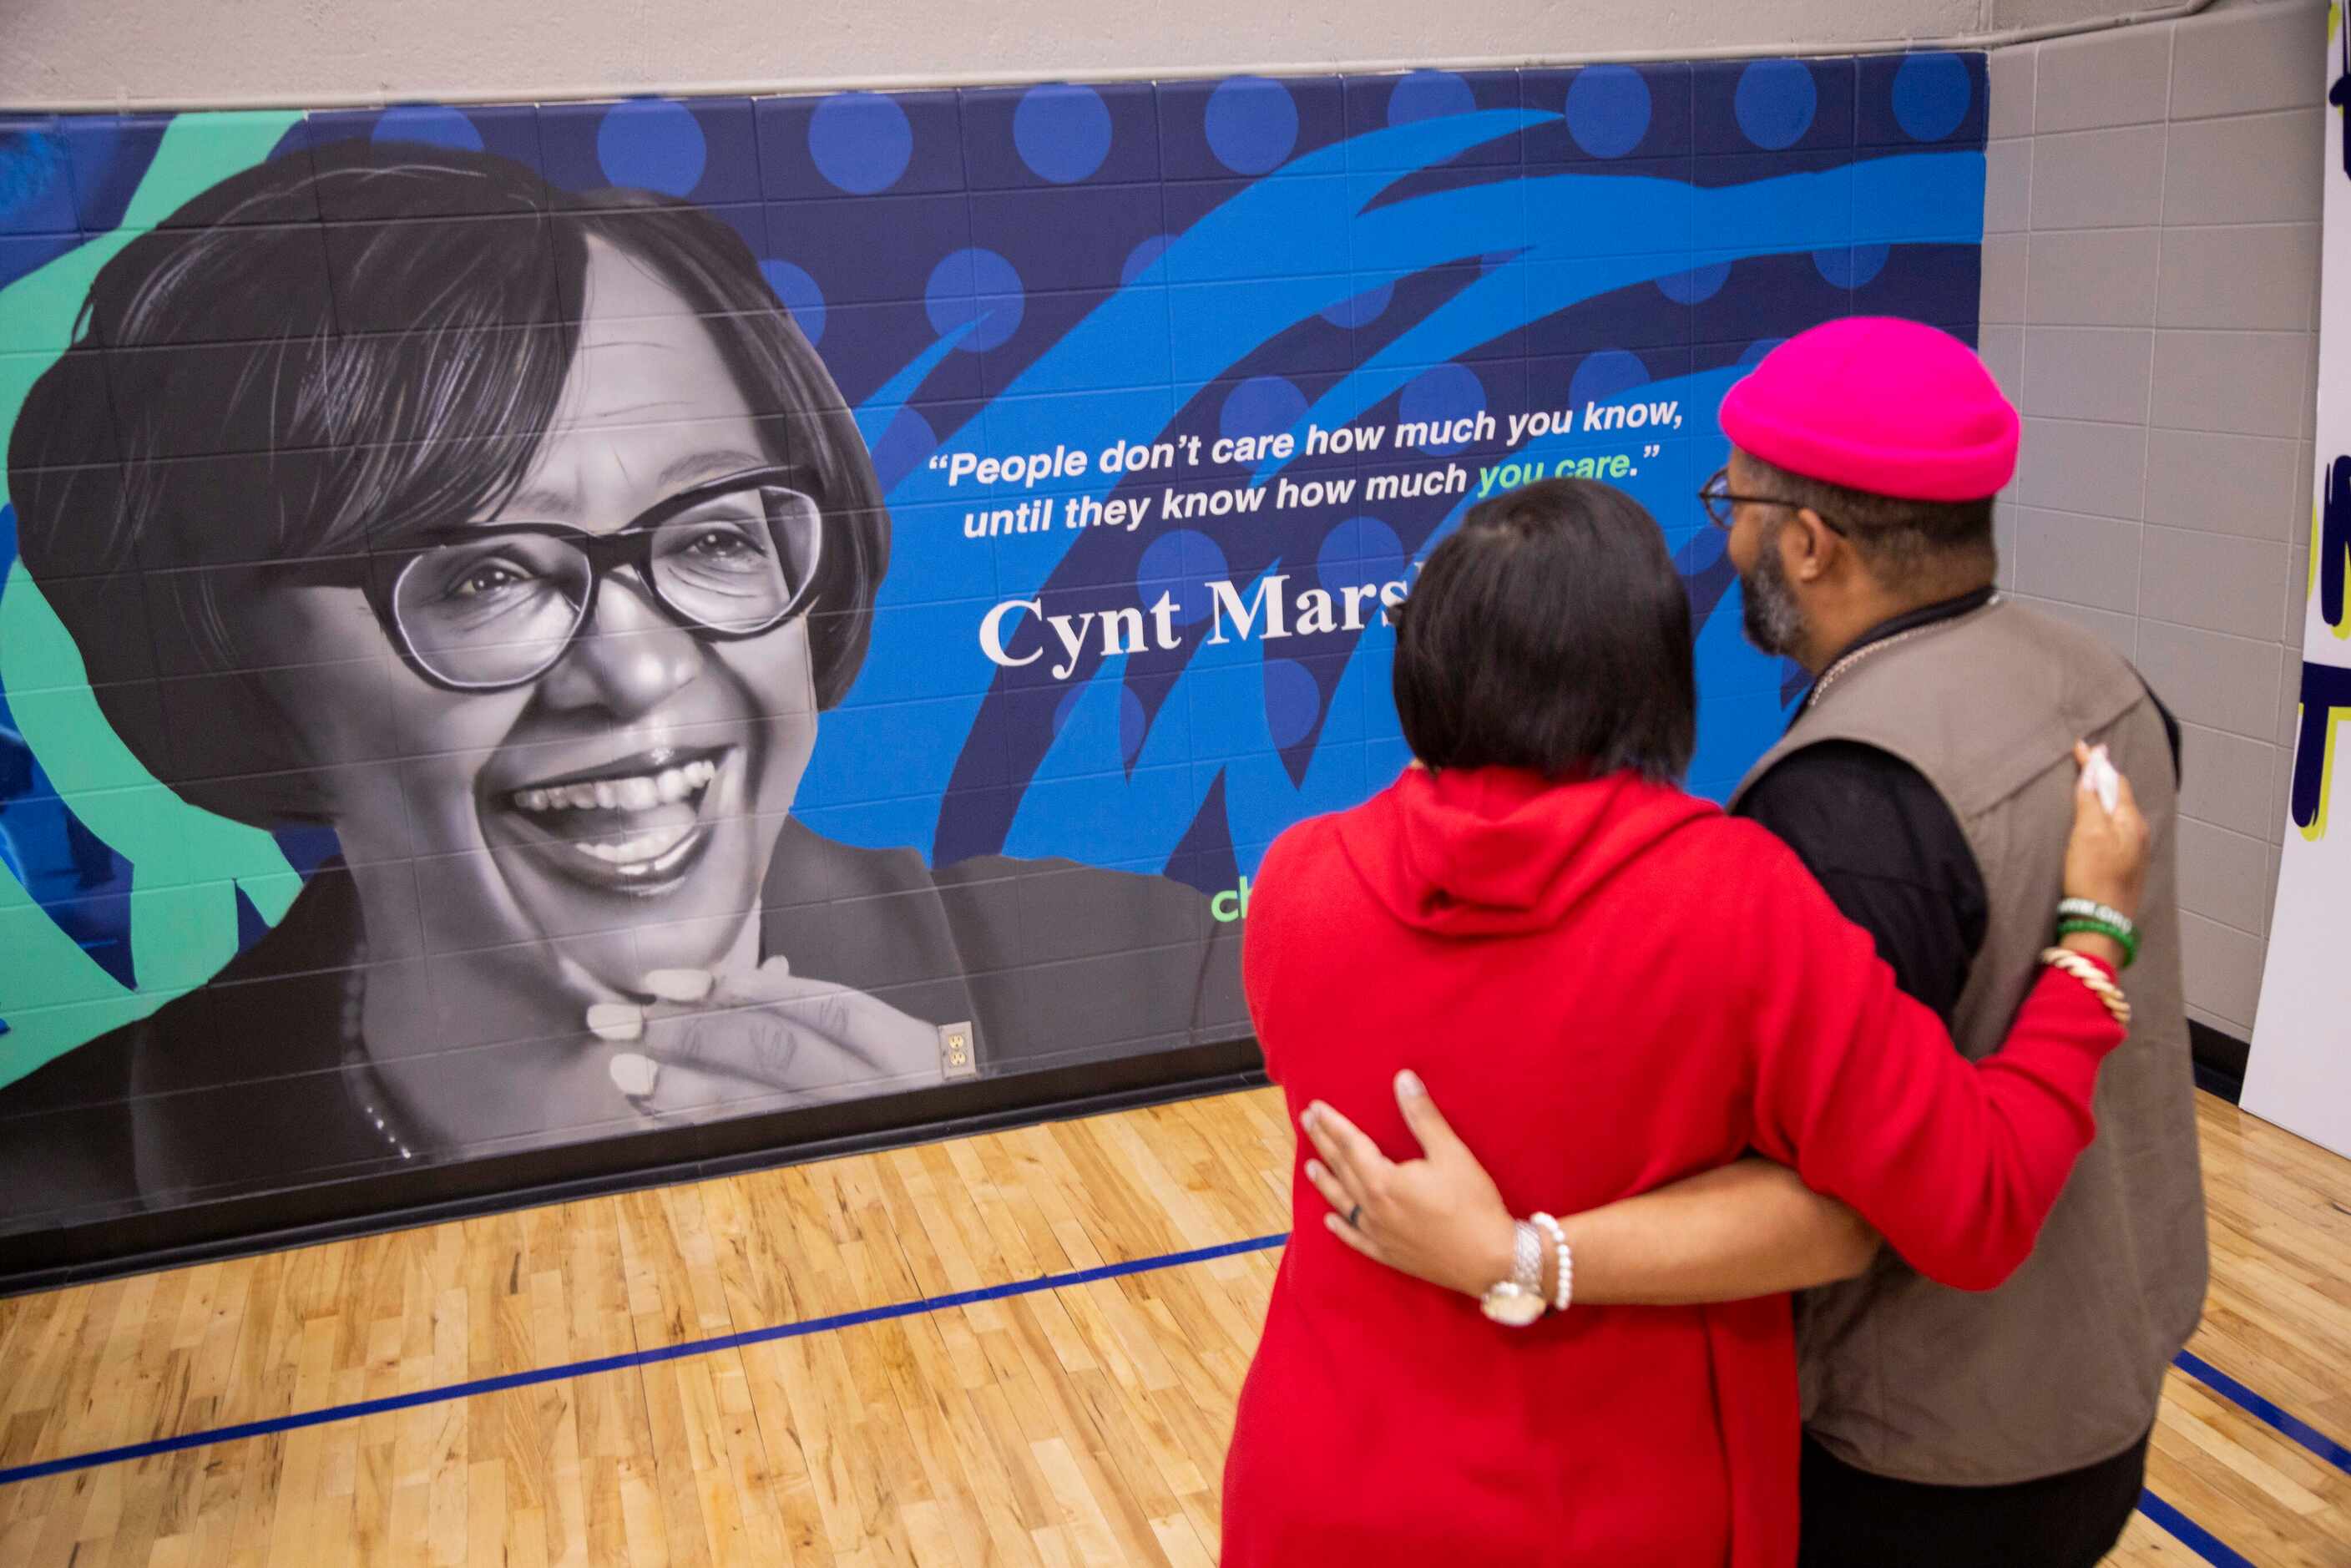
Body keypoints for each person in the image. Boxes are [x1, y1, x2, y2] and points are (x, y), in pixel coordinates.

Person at [0, 139, 1236, 1225]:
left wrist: (983, 1194)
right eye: (481, 576)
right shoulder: (55, 1178)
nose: (637, 669)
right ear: (239, 660)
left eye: (709, 538)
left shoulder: (1142, 964)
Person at [1301, 318, 2205, 1568]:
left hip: (1916, 1443)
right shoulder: (2107, 680)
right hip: (2111, 1366)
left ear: (1811, 541)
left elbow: (1859, 1204)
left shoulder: (1830, 815)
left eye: (1735, 502)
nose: (1722, 539)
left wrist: (1516, 1251)